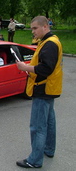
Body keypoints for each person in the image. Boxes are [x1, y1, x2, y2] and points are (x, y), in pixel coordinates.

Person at [16, 16, 63, 168]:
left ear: (45, 26)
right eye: (32, 29)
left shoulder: (49, 44)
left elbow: (46, 69)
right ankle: (48, 149)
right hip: (49, 89)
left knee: (38, 126)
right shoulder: (51, 41)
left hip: (43, 89)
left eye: (35, 28)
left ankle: (34, 160)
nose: (33, 31)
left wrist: (25, 68)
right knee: (49, 122)